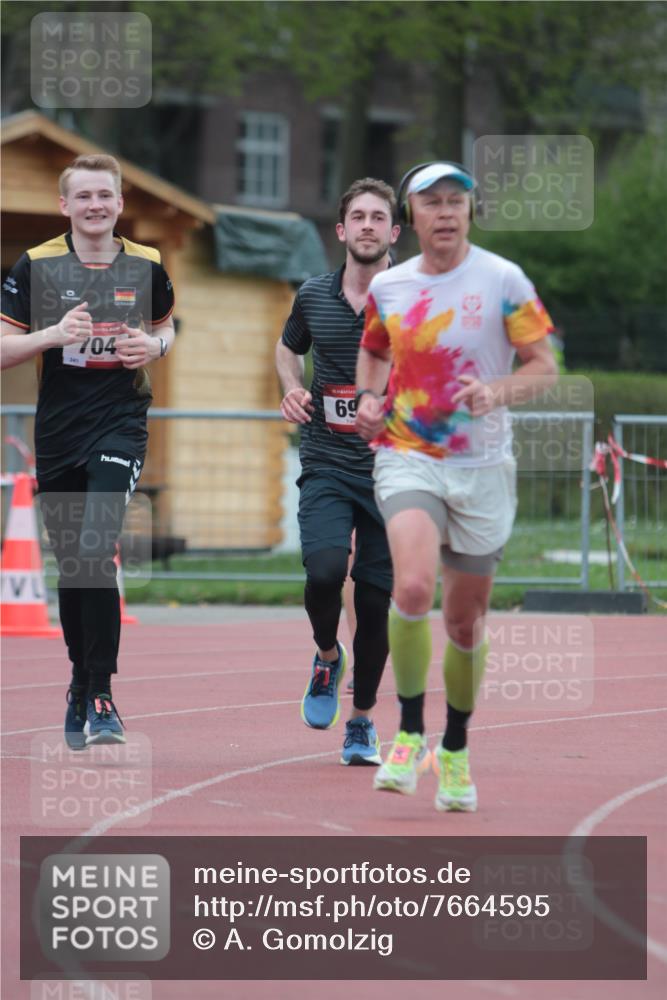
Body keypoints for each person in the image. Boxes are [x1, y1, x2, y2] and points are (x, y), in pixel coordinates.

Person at [355, 161, 557, 809]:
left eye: (456, 201)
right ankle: (409, 734)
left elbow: (543, 367)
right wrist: (367, 398)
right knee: (412, 586)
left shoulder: (502, 279)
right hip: (408, 453)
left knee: (464, 622)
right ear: (409, 217)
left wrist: (496, 391)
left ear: (470, 211)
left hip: (482, 467)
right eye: (432, 202)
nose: (445, 212)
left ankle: (455, 748)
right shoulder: (389, 285)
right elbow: (375, 349)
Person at [1, 153, 175, 748]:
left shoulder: (147, 262)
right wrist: (53, 335)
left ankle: (101, 695)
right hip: (58, 434)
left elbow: (167, 327)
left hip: (121, 425)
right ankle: (80, 680)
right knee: (75, 563)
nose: (95, 205)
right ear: (65, 205)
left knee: (98, 546)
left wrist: (153, 346)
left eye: (105, 195)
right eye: (84, 196)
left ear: (120, 203)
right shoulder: (37, 265)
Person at [276, 177, 400, 765]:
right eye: (359, 217)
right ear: (342, 229)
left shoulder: (414, 300)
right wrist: (292, 386)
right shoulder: (313, 295)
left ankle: (362, 721)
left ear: (393, 232)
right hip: (327, 461)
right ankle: (328, 657)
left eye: (379, 217)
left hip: (393, 472)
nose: (368, 226)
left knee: (373, 604)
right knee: (325, 572)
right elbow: (287, 346)